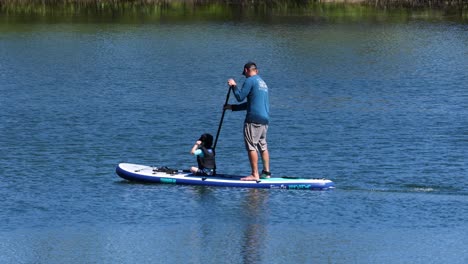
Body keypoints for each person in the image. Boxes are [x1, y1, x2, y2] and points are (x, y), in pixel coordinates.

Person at [225, 62, 271, 181]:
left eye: (244, 74)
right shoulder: (263, 83)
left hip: (253, 120)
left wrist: (234, 86)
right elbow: (251, 103)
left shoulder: (250, 80)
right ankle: (266, 172)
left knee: (251, 146)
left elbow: (240, 97)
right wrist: (233, 108)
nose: (244, 76)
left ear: (246, 70)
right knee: (263, 146)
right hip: (264, 119)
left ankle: (254, 174)